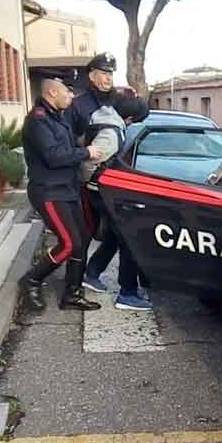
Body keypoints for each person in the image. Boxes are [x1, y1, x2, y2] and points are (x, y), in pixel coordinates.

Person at [19, 77, 103, 312]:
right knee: (69, 243)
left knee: (83, 239)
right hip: (49, 191)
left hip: (67, 189)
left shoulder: (59, 116)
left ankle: (72, 294)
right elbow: (54, 156)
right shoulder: (38, 120)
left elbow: (80, 125)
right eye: (67, 92)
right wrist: (85, 152)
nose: (71, 97)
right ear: (52, 92)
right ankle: (32, 281)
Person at [80, 92, 153, 311]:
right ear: (129, 118)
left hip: (100, 190)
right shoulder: (111, 134)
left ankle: (91, 273)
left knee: (114, 235)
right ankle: (127, 293)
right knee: (130, 239)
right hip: (101, 192)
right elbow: (87, 163)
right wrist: (93, 184)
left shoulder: (105, 119)